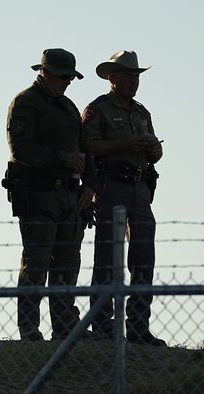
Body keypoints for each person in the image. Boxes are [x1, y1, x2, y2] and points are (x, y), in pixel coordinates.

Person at [4, 48, 96, 341]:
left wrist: (89, 186)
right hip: (38, 194)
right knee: (37, 263)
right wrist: (61, 158)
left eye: (69, 78)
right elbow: (20, 150)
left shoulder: (69, 108)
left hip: (70, 198)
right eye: (61, 77)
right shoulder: (25, 103)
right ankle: (30, 329)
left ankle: (64, 328)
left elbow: (85, 150)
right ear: (44, 73)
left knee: (68, 264)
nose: (66, 82)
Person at [82, 51, 165, 346]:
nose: (133, 80)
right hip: (111, 188)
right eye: (128, 75)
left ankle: (139, 327)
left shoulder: (142, 112)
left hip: (140, 189)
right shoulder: (97, 110)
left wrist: (154, 150)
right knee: (107, 260)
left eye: (137, 76)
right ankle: (102, 327)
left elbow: (154, 152)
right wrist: (124, 144)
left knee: (144, 259)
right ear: (111, 77)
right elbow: (87, 147)